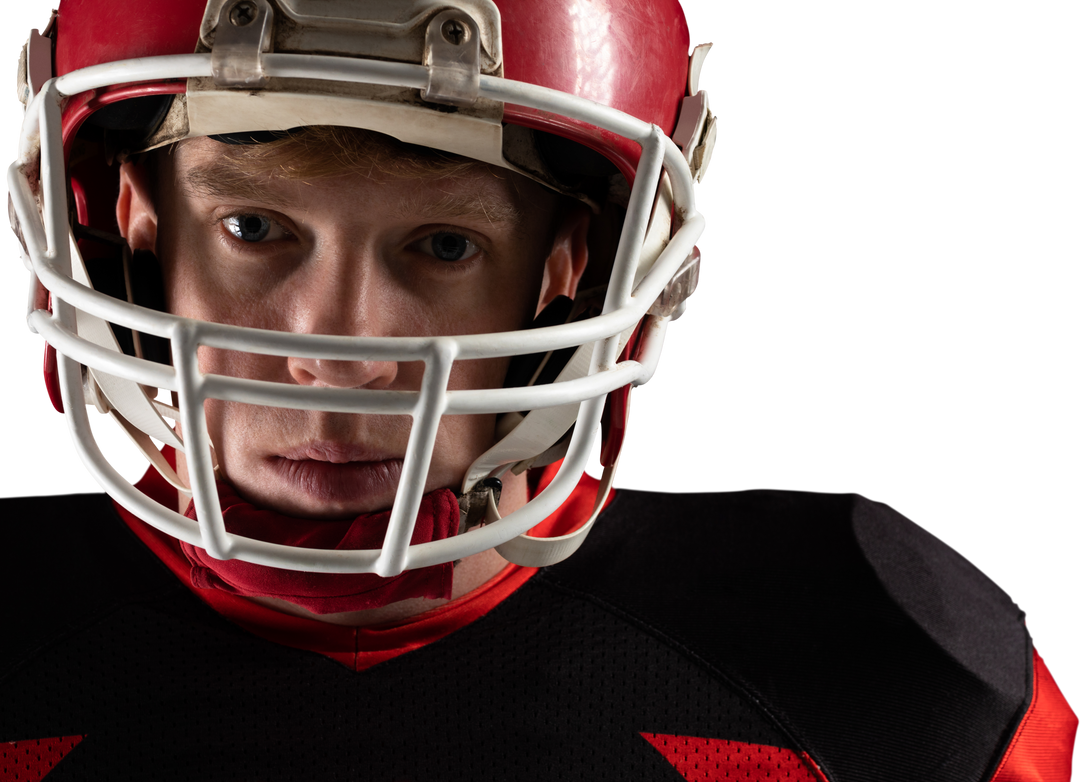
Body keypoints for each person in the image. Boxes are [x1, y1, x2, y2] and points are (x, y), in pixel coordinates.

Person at [2, 2, 1075, 781]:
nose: (339, 348)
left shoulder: (880, 659)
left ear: (575, 257)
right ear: (132, 215)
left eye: (442, 242)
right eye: (255, 228)